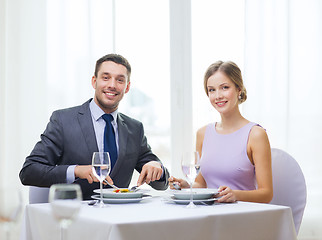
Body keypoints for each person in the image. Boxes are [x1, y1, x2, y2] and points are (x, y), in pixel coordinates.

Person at [19, 53, 169, 200]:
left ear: (127, 87)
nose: (112, 85)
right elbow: (29, 172)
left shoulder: (134, 129)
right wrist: (76, 170)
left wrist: (157, 167)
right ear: (94, 81)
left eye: (120, 80)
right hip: (74, 216)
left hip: (120, 217)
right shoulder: (63, 120)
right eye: (105, 77)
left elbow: (160, 183)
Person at [169, 61, 273, 203]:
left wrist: (236, 195)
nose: (218, 96)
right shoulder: (203, 134)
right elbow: (202, 185)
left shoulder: (255, 134)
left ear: (239, 89)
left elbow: (266, 194)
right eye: (212, 90)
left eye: (224, 87)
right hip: (210, 214)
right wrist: (186, 185)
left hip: (243, 215)